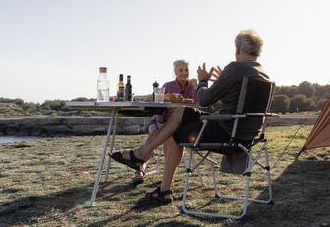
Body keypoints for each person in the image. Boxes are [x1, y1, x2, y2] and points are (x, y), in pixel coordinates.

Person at [111, 30, 271, 206]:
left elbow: (204, 100)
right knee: (181, 112)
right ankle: (142, 158)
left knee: (172, 131)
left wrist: (202, 82)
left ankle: (159, 182)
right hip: (246, 136)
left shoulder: (235, 68)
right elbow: (239, 103)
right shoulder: (263, 73)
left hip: (226, 134)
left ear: (238, 49)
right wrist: (222, 83)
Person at [132, 60, 197, 185]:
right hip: (161, 118)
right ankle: (140, 168)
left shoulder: (193, 86)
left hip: (177, 123)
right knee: (155, 131)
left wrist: (196, 87)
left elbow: (196, 106)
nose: (184, 73)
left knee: (169, 136)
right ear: (175, 72)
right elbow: (159, 106)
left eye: (186, 70)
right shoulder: (167, 85)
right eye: (181, 70)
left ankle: (143, 164)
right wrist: (160, 122)